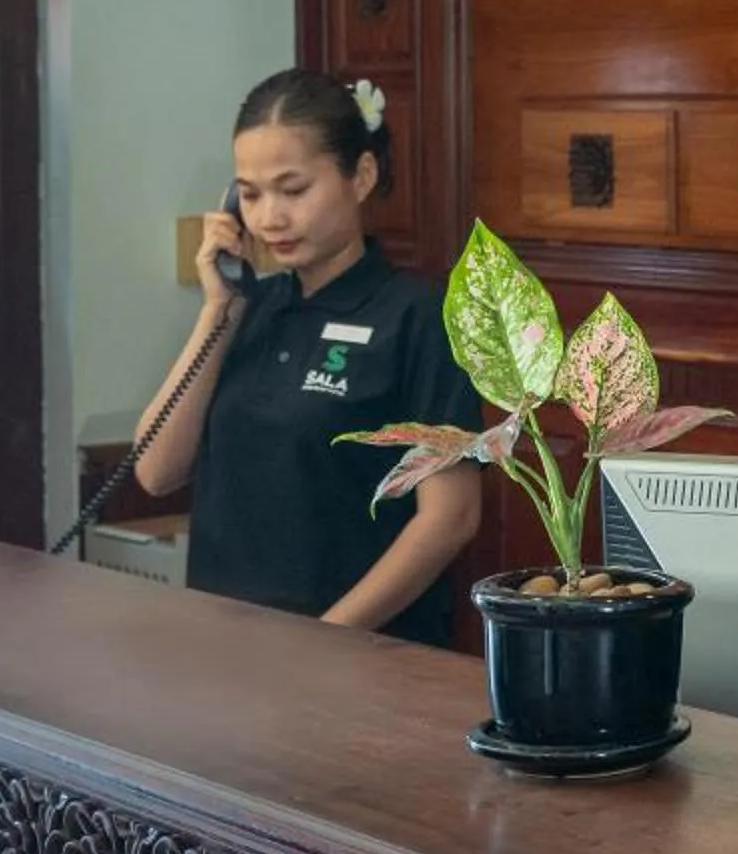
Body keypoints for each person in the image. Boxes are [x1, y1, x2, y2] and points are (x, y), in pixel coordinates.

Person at [129, 69, 483, 646]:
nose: (270, 217)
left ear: (361, 176)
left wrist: (325, 642)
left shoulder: (419, 316)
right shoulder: (248, 308)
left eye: (293, 191)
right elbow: (155, 471)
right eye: (249, 194)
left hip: (358, 657)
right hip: (226, 649)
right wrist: (219, 306)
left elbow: (450, 518)